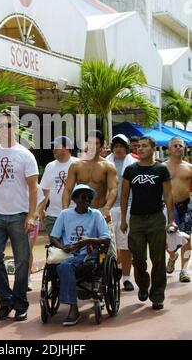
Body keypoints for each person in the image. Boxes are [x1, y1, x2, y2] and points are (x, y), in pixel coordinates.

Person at [0, 110, 39, 322]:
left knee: (22, 261)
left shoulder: (25, 155)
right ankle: (5, 300)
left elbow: (34, 188)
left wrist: (31, 215)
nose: (5, 129)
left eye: (9, 125)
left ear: (16, 127)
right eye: (1, 125)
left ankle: (20, 303)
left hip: (20, 216)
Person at [120, 136, 176, 310]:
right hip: (136, 219)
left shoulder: (161, 169)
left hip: (156, 218)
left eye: (144, 146)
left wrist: (171, 220)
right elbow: (124, 195)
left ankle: (157, 295)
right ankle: (143, 286)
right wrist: (123, 219)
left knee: (158, 259)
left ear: (153, 149)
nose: (140, 149)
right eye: (138, 146)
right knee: (138, 258)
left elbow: (168, 195)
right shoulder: (130, 170)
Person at [50, 184, 110, 326]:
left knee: (65, 267)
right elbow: (54, 237)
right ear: (75, 199)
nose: (87, 199)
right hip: (69, 255)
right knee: (64, 265)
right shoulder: (65, 214)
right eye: (84, 196)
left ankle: (73, 309)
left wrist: (88, 241)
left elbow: (106, 239)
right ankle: (73, 307)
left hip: (89, 255)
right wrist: (62, 247)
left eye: (89, 196)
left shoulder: (96, 215)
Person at [62, 130, 118, 256]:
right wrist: (65, 211)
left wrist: (106, 208)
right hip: (80, 214)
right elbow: (67, 189)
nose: (92, 146)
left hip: (100, 213)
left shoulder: (108, 166)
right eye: (90, 143)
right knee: (76, 250)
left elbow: (113, 189)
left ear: (102, 145)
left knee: (110, 254)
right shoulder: (76, 165)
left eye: (96, 143)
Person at [106, 134, 137, 291]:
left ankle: (126, 277)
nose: (118, 149)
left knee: (125, 244)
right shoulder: (104, 163)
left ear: (127, 147)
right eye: (116, 146)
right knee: (110, 243)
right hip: (108, 208)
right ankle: (114, 270)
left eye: (121, 146)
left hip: (129, 208)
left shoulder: (134, 163)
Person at [38, 136, 78, 238]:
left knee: (74, 246)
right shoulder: (50, 166)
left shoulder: (78, 164)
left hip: (75, 213)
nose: (54, 149)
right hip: (53, 215)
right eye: (53, 147)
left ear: (67, 148)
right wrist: (41, 209)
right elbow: (45, 190)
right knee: (56, 249)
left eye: (57, 146)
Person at [164, 137, 192, 282]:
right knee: (169, 240)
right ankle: (172, 257)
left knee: (187, 238)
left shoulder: (189, 167)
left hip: (185, 205)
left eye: (180, 145)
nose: (178, 148)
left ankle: (184, 270)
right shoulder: (162, 167)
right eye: (175, 145)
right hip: (167, 207)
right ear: (169, 148)